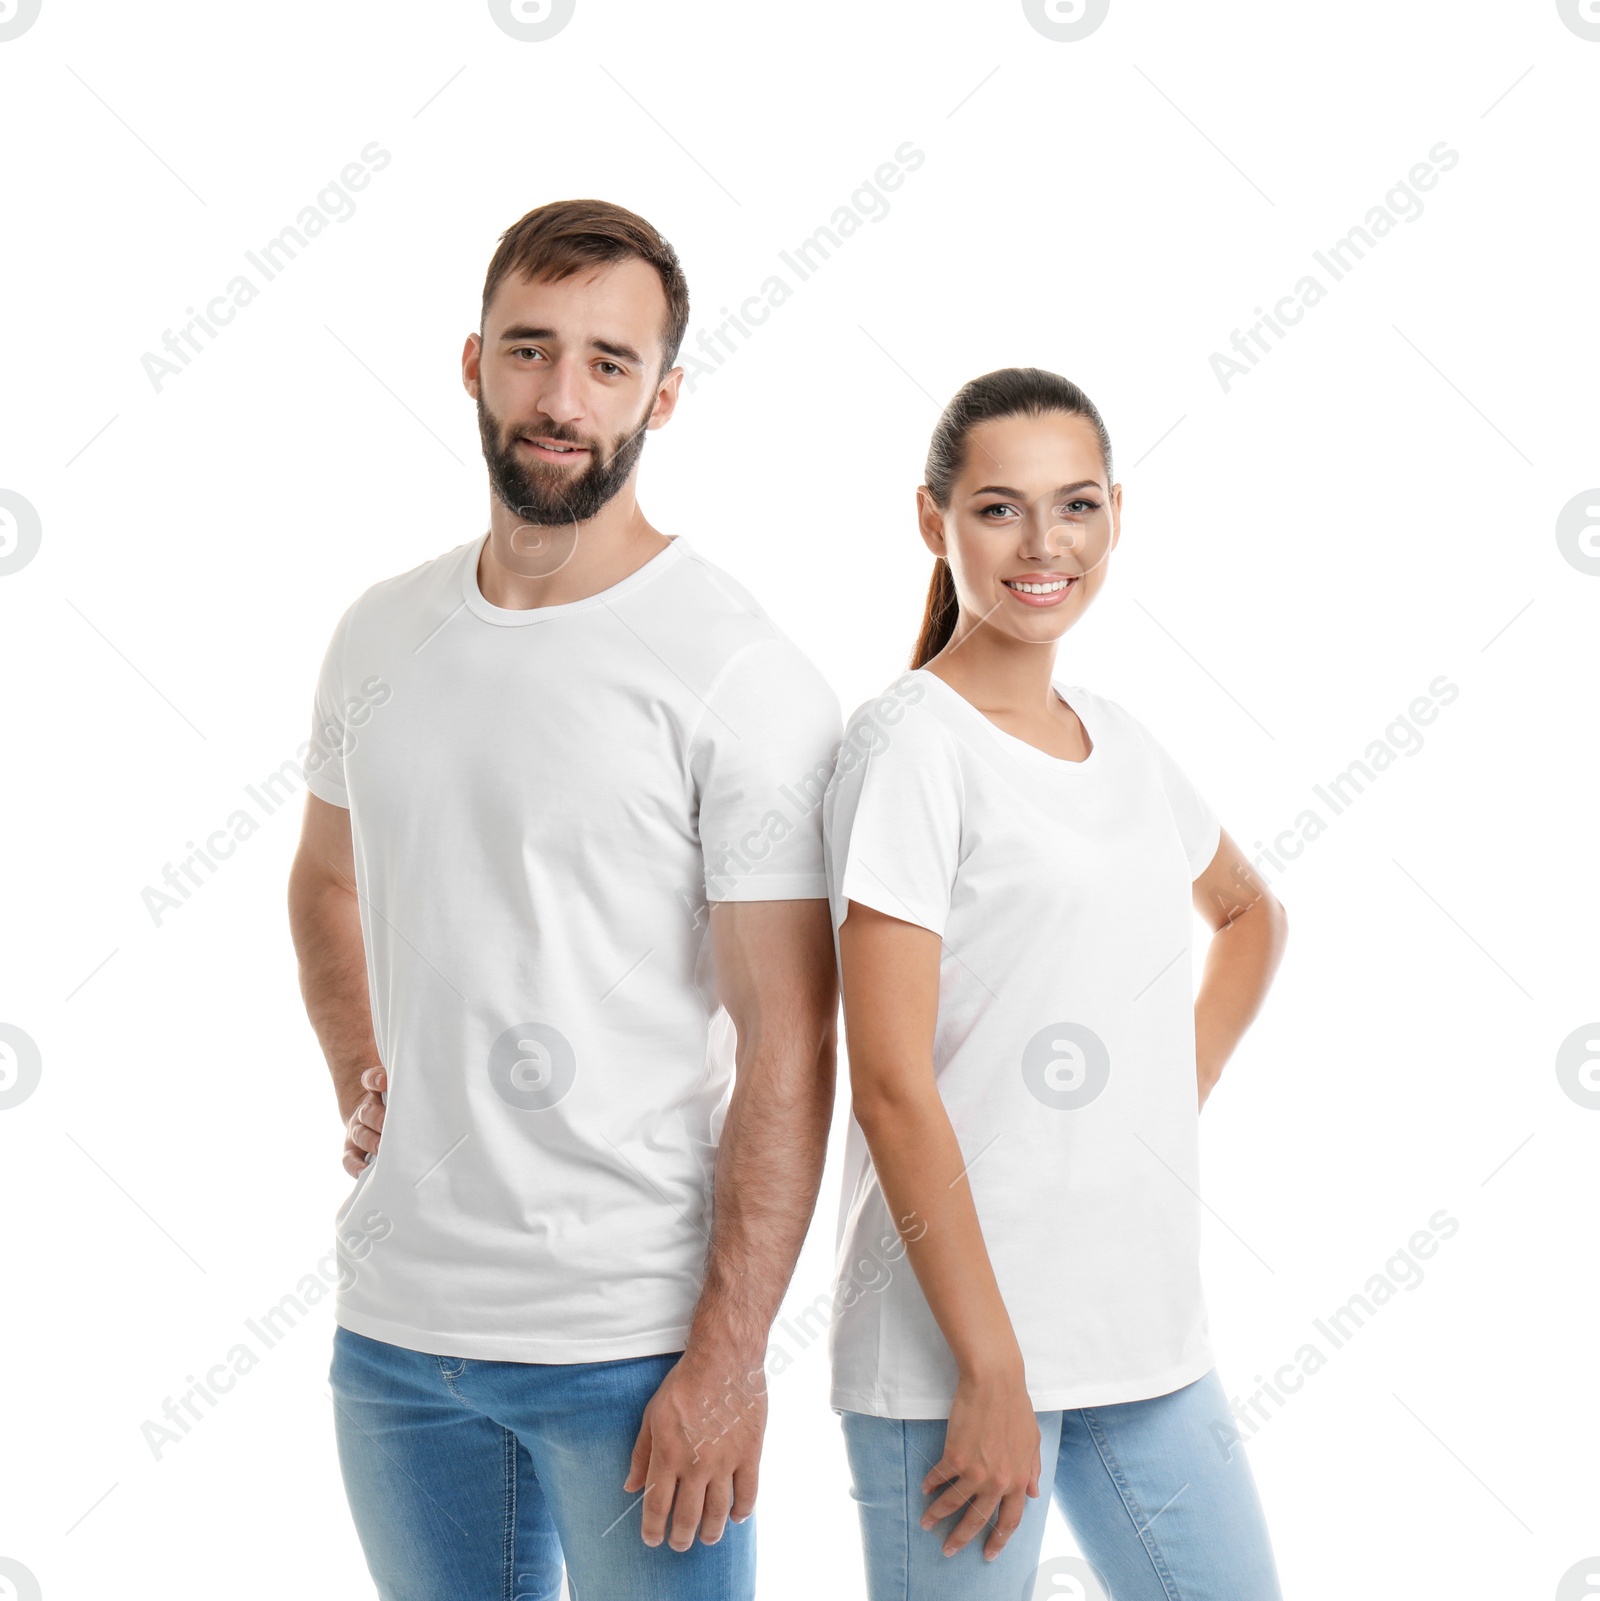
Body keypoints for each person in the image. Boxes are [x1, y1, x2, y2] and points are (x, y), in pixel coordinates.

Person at [286, 198, 842, 1601]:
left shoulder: (736, 669)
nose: (561, 396)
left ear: (663, 394)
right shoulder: (381, 629)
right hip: (399, 1337)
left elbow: (791, 1045)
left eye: (607, 362)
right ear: (471, 362)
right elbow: (327, 878)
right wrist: (366, 1068)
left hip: (633, 1341)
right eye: (530, 349)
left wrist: (728, 1358)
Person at [822, 367, 1290, 1599]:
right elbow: (886, 1081)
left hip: (1143, 1336)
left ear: (1115, 515)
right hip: (953, 1360)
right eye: (998, 509)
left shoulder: (1120, 737)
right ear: (933, 521)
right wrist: (989, 1369)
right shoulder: (908, 745)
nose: (1044, 544)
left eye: (1074, 505)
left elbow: (1247, 913)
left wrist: (1173, 1078)